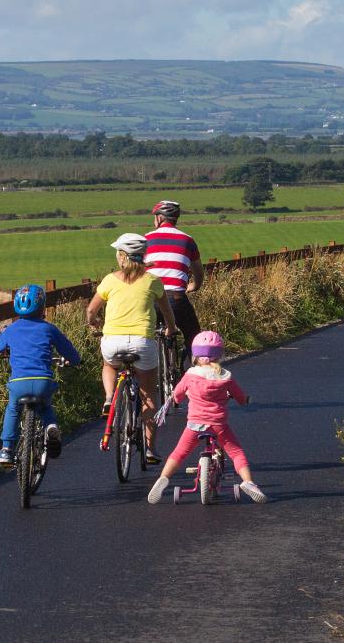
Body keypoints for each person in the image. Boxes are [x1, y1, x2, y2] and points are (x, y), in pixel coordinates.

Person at [86, 232, 178, 464]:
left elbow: (90, 311)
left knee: (108, 365)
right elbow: (167, 312)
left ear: (123, 256)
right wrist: (170, 329)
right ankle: (149, 448)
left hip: (113, 341)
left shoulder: (109, 280)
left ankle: (109, 398)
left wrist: (94, 322)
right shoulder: (152, 280)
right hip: (142, 342)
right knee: (149, 395)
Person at [147, 331, 267, 503]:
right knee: (236, 452)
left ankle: (163, 479)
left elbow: (177, 395)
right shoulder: (225, 377)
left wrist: (178, 397)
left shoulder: (190, 375)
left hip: (195, 425)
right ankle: (248, 482)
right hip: (219, 425)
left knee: (179, 453)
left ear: (195, 355)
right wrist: (245, 399)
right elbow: (240, 397)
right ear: (219, 355)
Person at [0, 283, 82, 465]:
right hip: (43, 381)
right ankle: (51, 426)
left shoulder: (12, 329)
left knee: (12, 409)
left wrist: (6, 350)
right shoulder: (49, 329)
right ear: (42, 307)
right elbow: (70, 353)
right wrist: (74, 361)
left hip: (19, 383)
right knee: (45, 407)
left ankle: (6, 449)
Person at [145, 200, 204, 356]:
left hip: (149, 298)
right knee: (194, 336)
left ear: (159, 218)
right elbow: (198, 271)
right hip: (175, 299)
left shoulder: (145, 240)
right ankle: (189, 366)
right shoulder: (188, 240)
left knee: (142, 337)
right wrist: (194, 286)